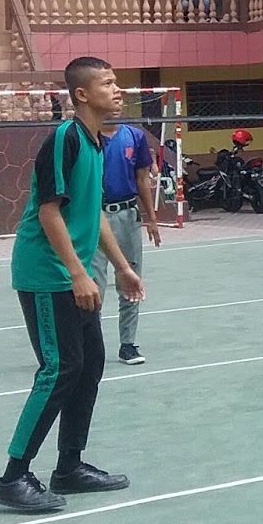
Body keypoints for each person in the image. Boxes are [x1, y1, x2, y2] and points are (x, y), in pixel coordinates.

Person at [0, 57, 146, 514]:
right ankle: (13, 476)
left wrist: (120, 266)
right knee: (59, 370)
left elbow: (91, 212)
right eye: (108, 83)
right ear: (82, 94)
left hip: (76, 273)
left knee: (89, 365)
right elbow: (49, 211)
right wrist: (78, 273)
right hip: (47, 273)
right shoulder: (65, 138)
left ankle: (69, 467)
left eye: (118, 81)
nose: (118, 90)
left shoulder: (97, 144)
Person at [90, 118, 159, 365]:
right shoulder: (87, 135)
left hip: (127, 214)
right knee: (94, 283)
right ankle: (91, 347)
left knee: (130, 278)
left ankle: (127, 344)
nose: (116, 102)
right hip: (94, 215)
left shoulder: (134, 136)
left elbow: (142, 178)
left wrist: (151, 218)